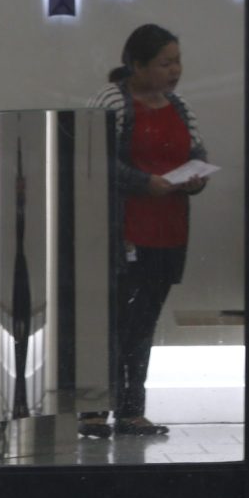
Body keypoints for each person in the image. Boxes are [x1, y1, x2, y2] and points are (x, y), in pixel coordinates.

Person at [82, 24, 208, 438]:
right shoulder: (112, 101)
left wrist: (196, 179)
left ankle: (132, 410)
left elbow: (197, 152)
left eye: (177, 61)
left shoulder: (180, 105)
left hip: (168, 229)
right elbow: (93, 156)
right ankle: (94, 408)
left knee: (144, 322)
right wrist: (143, 183)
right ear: (136, 65)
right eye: (165, 63)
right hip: (122, 229)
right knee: (112, 319)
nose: (175, 70)